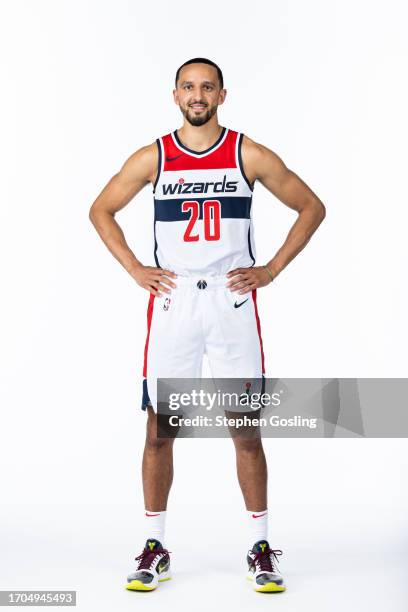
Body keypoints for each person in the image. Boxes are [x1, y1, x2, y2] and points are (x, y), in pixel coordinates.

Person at [89, 57, 326, 593]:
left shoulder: (248, 153)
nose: (198, 95)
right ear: (175, 95)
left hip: (229, 300)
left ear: (222, 95)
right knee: (160, 432)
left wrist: (269, 269)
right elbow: (101, 209)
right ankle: (155, 547)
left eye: (208, 87)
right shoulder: (155, 156)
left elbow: (311, 206)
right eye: (189, 87)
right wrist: (133, 268)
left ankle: (260, 547)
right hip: (174, 301)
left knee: (245, 428)